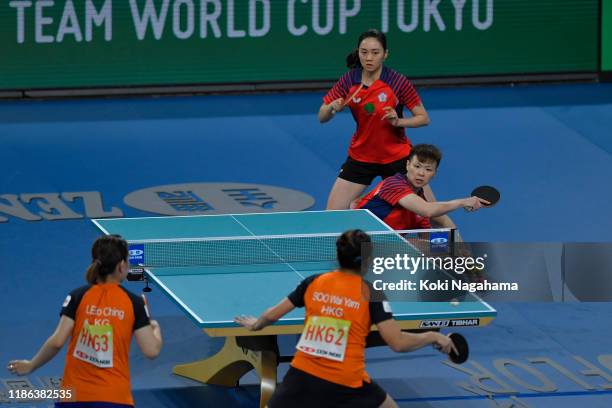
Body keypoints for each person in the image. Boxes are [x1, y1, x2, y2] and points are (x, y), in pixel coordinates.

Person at [235, 230, 457, 408]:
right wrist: (431, 335)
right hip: (347, 381)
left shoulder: (314, 282)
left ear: (338, 257)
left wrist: (255, 325)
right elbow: (397, 343)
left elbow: (272, 314)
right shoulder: (371, 293)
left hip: (302, 375)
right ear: (368, 261)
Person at [6, 235, 163, 408]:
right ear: (121, 266)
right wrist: (155, 328)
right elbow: (151, 351)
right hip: (114, 398)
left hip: (73, 397)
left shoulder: (78, 296)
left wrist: (31, 365)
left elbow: (57, 341)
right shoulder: (134, 303)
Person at [320, 29, 431, 211]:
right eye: (364, 52)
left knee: (428, 210)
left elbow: (423, 118)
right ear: (358, 53)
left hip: (398, 157)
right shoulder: (349, 80)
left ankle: (453, 238)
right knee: (333, 213)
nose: (369, 58)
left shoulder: (397, 82)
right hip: (361, 156)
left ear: (385, 55)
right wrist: (332, 108)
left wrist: (398, 122)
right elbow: (321, 117)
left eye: (375, 52)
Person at [355, 144, 487, 231]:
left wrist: (460, 252)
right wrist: (464, 202)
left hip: (380, 248)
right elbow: (427, 210)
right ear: (407, 165)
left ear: (434, 173)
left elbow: (430, 233)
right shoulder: (393, 184)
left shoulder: (419, 204)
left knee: (440, 249)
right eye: (417, 166)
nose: (421, 173)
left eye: (428, 169)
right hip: (356, 240)